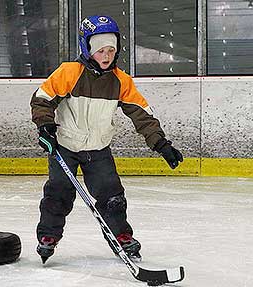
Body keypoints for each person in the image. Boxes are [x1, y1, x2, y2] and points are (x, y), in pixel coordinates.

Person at [30, 15, 183, 263]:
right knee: (58, 195)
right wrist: (45, 126)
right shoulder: (69, 72)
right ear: (88, 49)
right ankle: (48, 236)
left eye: (111, 49)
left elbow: (141, 114)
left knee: (112, 197)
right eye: (100, 49)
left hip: (98, 150)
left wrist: (161, 143)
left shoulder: (121, 81)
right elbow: (42, 99)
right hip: (65, 147)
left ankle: (121, 236)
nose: (106, 55)